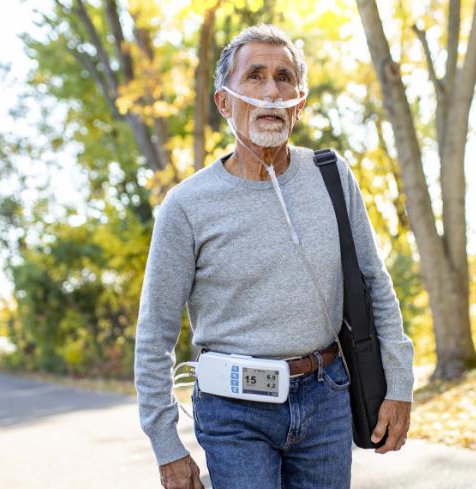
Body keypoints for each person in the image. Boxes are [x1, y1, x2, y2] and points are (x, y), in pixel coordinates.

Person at [134, 24, 415, 489]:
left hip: (327, 396)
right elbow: (155, 333)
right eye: (255, 77)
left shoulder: (331, 176)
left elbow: (374, 283)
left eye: (284, 78)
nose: (271, 92)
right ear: (225, 101)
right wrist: (166, 445)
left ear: (299, 102)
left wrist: (399, 385)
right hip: (232, 411)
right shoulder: (185, 206)